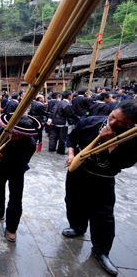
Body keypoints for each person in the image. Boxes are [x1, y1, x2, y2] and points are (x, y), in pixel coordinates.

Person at [64, 100, 137, 276]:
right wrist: (72, 154)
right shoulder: (92, 121)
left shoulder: (133, 137)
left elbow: (125, 162)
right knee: (73, 201)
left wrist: (111, 141)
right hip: (79, 170)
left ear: (131, 123)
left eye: (120, 122)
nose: (112, 123)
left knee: (103, 216)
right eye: (112, 117)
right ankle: (77, 227)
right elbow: (72, 138)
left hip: (103, 178)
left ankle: (101, 251)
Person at [0, 114, 40, 242]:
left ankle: (11, 227)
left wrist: (3, 156)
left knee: (15, 198)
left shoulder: (30, 143)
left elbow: (21, 161)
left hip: (16, 170)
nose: (12, 137)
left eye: (17, 135)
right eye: (11, 132)